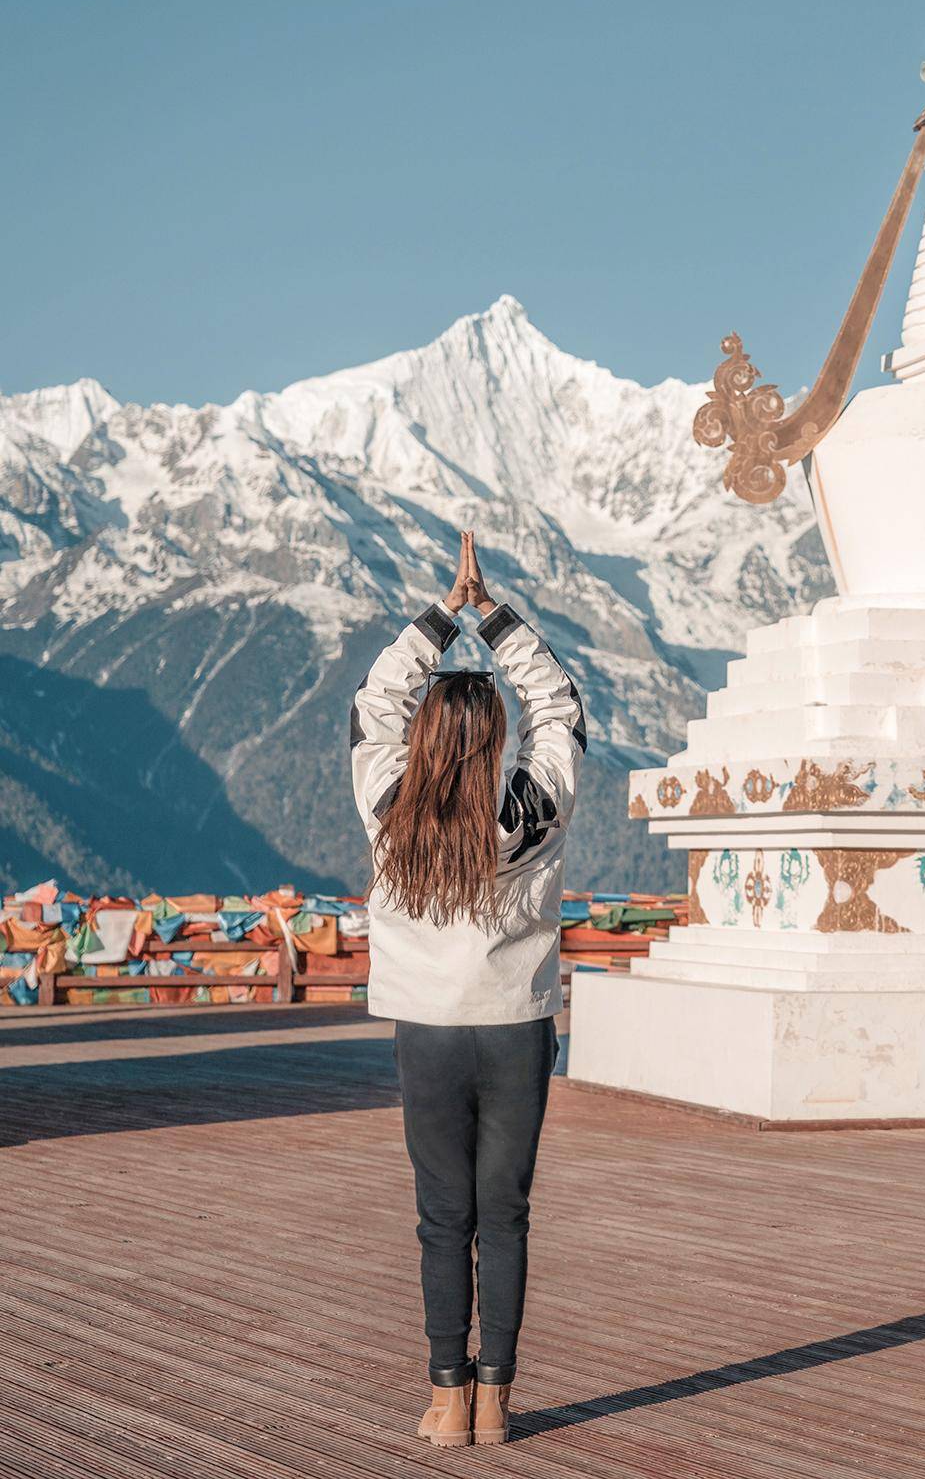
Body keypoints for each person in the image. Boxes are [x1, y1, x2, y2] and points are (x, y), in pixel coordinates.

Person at [350, 531, 586, 1448]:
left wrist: (444, 615)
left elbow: (374, 705)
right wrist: (491, 616)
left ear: (420, 739)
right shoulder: (534, 811)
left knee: (442, 1216)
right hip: (517, 1026)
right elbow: (559, 707)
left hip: (430, 1032)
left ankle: (446, 1396)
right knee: (508, 1215)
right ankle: (498, 1398)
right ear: (497, 739)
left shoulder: (387, 806)